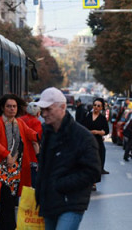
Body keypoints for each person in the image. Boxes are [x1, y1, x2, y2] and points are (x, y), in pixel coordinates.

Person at [34, 87, 101, 230]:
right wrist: (39, 191)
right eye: (42, 109)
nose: (44, 114)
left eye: (48, 109)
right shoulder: (48, 132)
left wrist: (60, 184)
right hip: (50, 201)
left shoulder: (83, 137)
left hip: (71, 203)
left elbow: (92, 171)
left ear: (63, 107)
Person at [0, 94, 39, 230]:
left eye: (14, 106)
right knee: (7, 206)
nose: (12, 109)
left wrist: (49, 132)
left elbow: (33, 134)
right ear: (3, 108)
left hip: (16, 172)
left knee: (7, 207)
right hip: (1, 172)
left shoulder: (20, 123)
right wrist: (7, 154)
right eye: (9, 106)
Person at [81, 98, 110, 181]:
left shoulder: (102, 118)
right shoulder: (87, 116)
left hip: (97, 142)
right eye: (95, 105)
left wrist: (98, 132)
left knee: (96, 162)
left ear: (101, 108)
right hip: (87, 142)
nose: (96, 107)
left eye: (98, 106)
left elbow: (106, 131)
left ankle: (93, 181)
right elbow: (82, 127)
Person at [21, 102, 43, 187]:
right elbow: (35, 141)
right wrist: (39, 159)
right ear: (38, 113)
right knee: (32, 185)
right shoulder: (36, 122)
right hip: (31, 157)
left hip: (20, 156)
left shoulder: (20, 120)